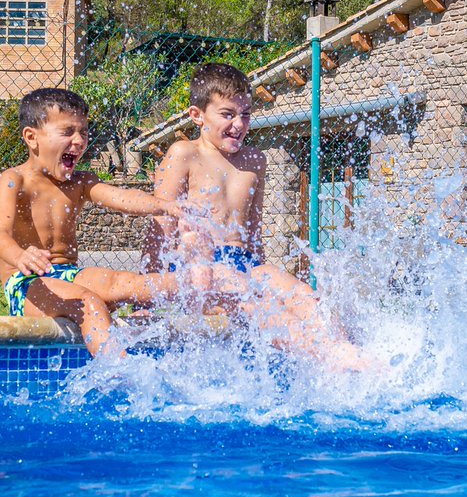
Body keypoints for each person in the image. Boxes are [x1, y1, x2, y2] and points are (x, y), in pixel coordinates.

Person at [145, 63, 372, 371]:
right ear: (197, 115)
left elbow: (253, 229)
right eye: (227, 114)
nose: (239, 124)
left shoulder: (255, 160)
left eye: (246, 114)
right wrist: (148, 293)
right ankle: (329, 357)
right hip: (199, 265)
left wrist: (265, 271)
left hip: (242, 260)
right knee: (255, 305)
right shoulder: (184, 153)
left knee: (307, 298)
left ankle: (346, 355)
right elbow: (161, 225)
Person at [0, 87, 182, 357]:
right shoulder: (14, 180)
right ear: (32, 138)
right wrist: (20, 255)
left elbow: (122, 197)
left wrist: (165, 206)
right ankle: (121, 372)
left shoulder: (81, 182)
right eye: (68, 132)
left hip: (70, 274)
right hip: (26, 283)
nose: (79, 141)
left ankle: (213, 286)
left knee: (129, 284)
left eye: (84, 131)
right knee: (89, 302)